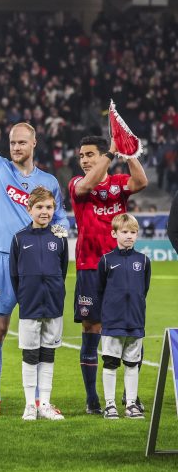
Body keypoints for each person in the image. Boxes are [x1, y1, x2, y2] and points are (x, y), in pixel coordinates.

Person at [0, 67, 69, 417]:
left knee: (41, 333)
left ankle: (39, 400)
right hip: (3, 258)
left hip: (38, 263)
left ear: (34, 143)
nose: (16, 147)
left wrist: (62, 230)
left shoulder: (49, 180)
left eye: (22, 142)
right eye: (12, 143)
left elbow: (60, 217)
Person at [69, 135, 147, 414]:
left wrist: (128, 153)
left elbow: (141, 182)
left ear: (102, 156)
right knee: (92, 329)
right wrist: (111, 153)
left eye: (90, 154)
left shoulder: (117, 184)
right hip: (89, 266)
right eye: (82, 156)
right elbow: (88, 185)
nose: (85, 160)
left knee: (129, 328)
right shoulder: (77, 184)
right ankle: (92, 399)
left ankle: (131, 397)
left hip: (121, 268)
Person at [9, 187, 68, 421]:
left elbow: (62, 270)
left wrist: (55, 291)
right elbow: (14, 274)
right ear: (29, 209)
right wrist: (24, 296)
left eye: (49, 207)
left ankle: (44, 404)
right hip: (30, 305)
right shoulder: (19, 238)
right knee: (30, 355)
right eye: (40, 207)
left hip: (53, 304)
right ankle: (29, 405)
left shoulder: (60, 237)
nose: (45, 212)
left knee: (48, 354)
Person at [97, 213, 151, 420]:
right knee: (110, 363)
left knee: (132, 364)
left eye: (133, 232)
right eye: (125, 232)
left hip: (135, 322)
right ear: (114, 233)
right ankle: (109, 405)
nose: (129, 236)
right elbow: (101, 289)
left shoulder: (144, 261)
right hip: (112, 322)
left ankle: (130, 404)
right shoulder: (106, 260)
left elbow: (143, 290)